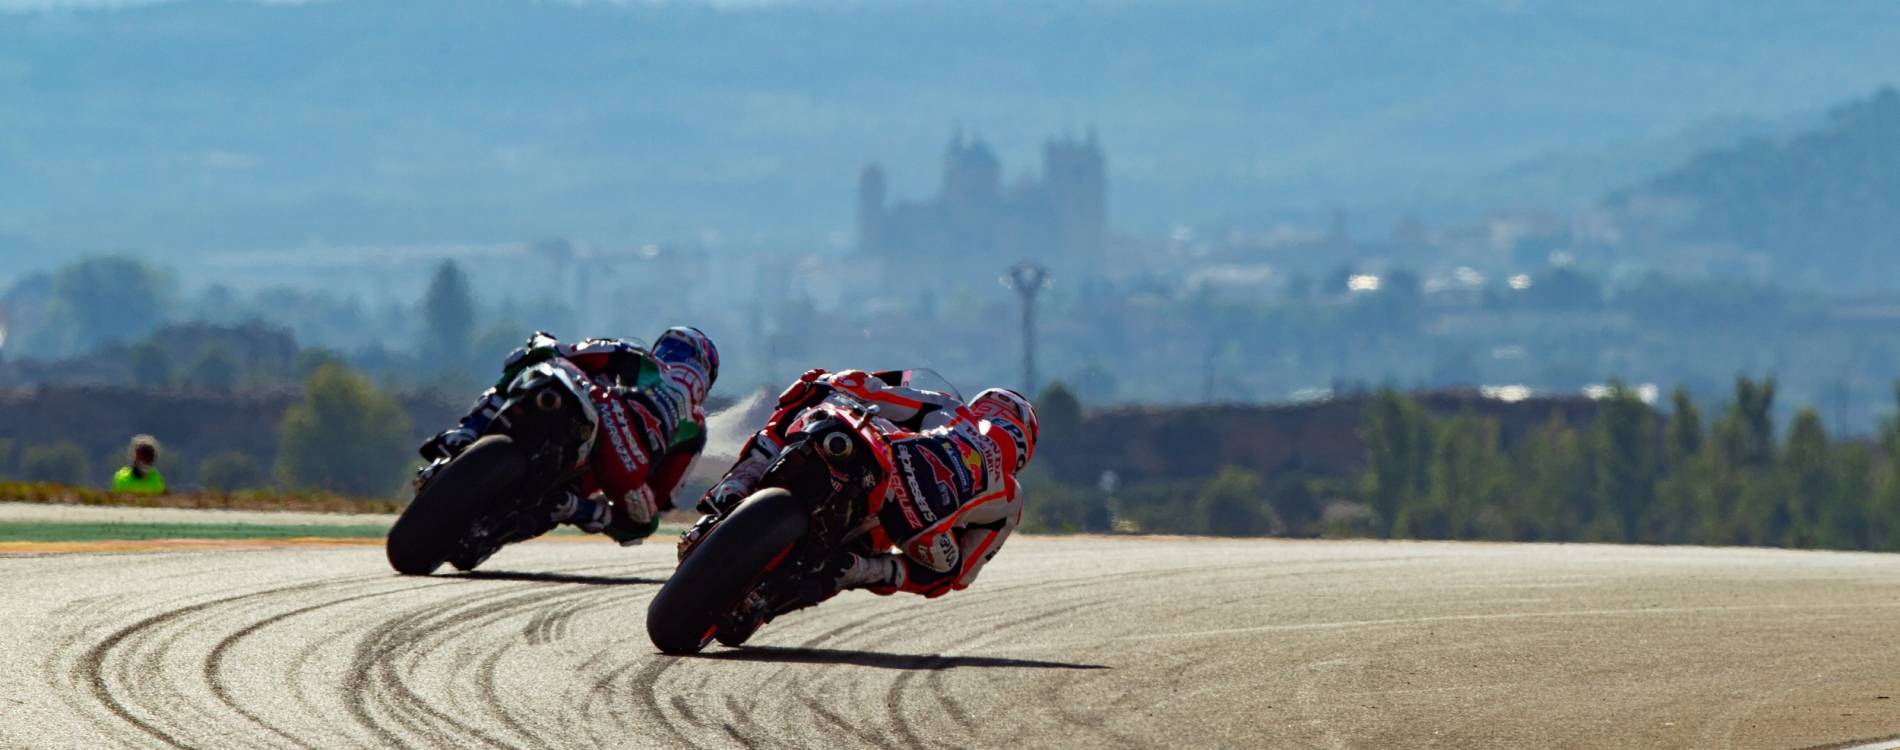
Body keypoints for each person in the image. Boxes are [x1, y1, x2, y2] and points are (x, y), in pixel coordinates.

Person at [686, 368, 1037, 601]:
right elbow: (962, 575)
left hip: (891, 465)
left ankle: (741, 480)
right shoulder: (1010, 498)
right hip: (919, 528)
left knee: (816, 385)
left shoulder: (953, 410)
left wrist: (848, 382)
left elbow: (876, 395)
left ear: (983, 406)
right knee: (945, 571)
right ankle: (858, 569)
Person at [420, 327, 718, 546]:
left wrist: (542, 345)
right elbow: (661, 498)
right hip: (624, 468)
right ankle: (572, 507)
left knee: (536, 352)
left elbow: (568, 352)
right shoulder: (695, 424)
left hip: (600, 410)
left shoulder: (642, 359)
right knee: (643, 523)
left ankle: (467, 431)